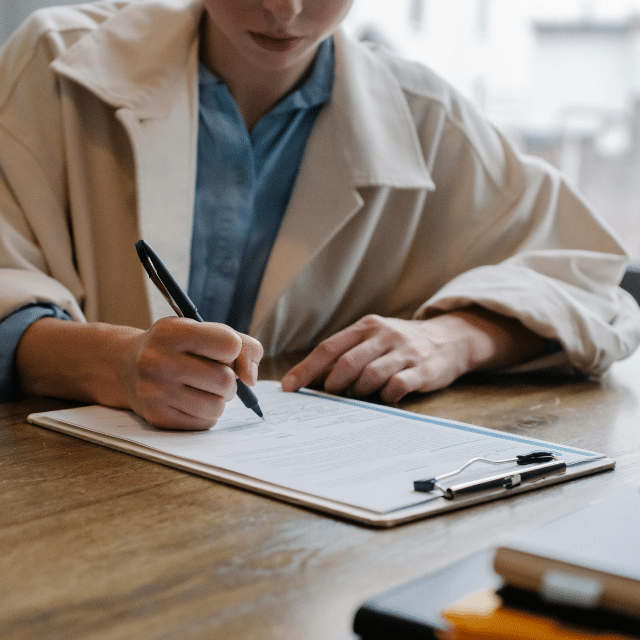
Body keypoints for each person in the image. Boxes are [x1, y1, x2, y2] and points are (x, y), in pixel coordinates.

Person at [1, 0, 638, 430]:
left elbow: (592, 286)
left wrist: (454, 338)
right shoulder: (53, 61)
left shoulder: (428, 119)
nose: (287, 10)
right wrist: (113, 363)